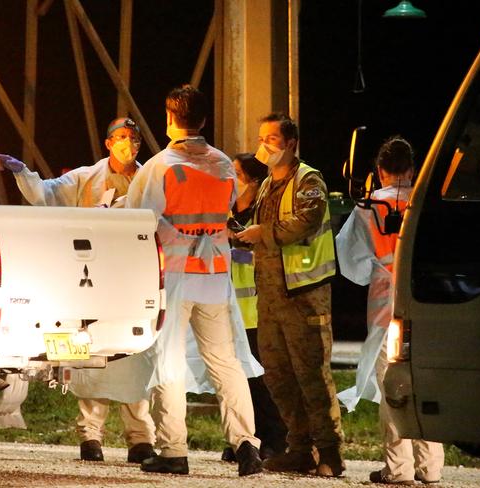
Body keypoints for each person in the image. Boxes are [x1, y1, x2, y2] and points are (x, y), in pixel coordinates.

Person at [0, 117, 157, 464]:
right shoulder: (86, 178)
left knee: (136, 358)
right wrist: (23, 172)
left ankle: (141, 438)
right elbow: (48, 193)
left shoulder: (148, 179)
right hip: (91, 279)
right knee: (94, 355)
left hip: (131, 278)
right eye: (123, 137)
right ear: (109, 143)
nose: (130, 144)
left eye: (135, 139)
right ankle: (90, 435)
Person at [126, 85, 263, 477]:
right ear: (203, 120)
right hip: (216, 276)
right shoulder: (222, 164)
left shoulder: (160, 166)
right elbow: (229, 205)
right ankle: (246, 443)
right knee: (226, 362)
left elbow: (140, 221)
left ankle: (173, 451)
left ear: (170, 120)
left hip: (175, 277)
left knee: (169, 363)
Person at [235, 112, 345, 477]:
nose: (264, 145)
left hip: (304, 296)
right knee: (278, 377)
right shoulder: (265, 184)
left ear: (291, 143)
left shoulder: (308, 180)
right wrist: (239, 234)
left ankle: (329, 453)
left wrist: (260, 233)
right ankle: (299, 448)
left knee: (311, 375)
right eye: (261, 137)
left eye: (272, 138)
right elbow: (259, 230)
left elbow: (304, 223)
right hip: (270, 299)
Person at [336, 136, 444, 484]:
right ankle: (431, 467)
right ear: (412, 169)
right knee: (426, 384)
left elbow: (351, 262)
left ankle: (397, 468)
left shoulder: (369, 207)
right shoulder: (426, 203)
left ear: (379, 171)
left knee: (393, 389)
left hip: (386, 307)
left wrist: (376, 271)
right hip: (427, 304)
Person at [222, 153, 287, 462]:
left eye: (236, 174)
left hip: (257, 310)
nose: (230, 180)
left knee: (262, 381)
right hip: (230, 309)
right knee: (239, 379)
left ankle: (274, 439)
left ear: (252, 181)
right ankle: (244, 440)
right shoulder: (227, 212)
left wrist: (237, 240)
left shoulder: (260, 214)